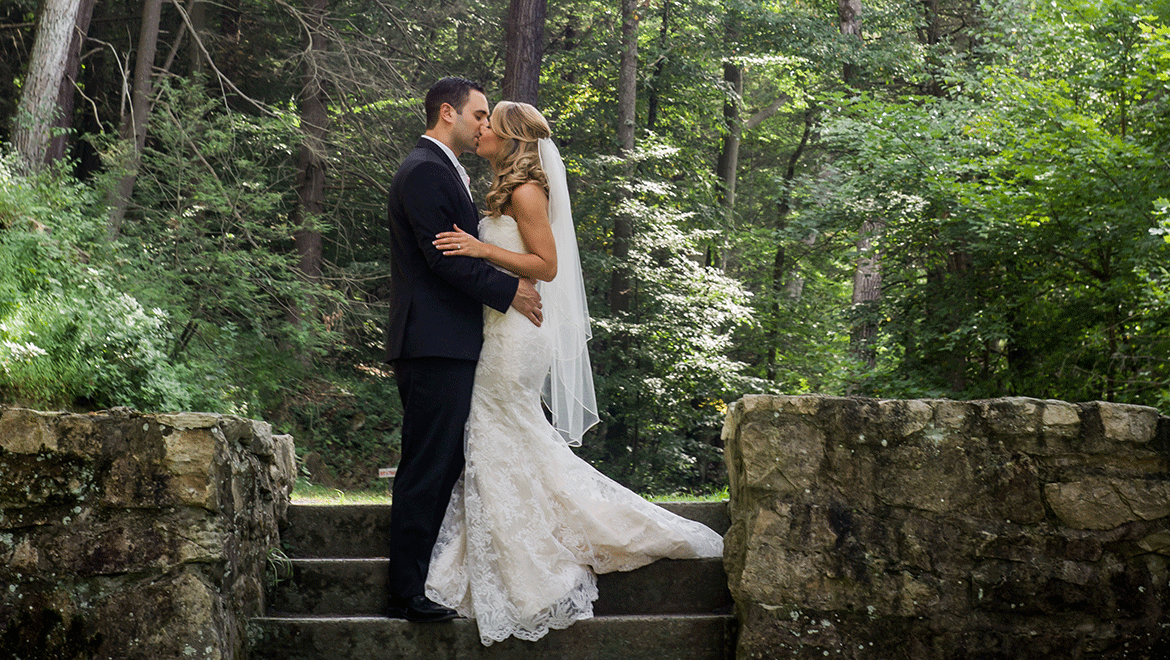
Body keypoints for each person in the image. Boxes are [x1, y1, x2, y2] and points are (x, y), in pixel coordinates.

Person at [424, 101, 724, 645]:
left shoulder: (527, 192)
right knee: (504, 435)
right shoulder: (499, 188)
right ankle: (502, 545)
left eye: (491, 123)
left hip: (516, 335)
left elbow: (547, 265)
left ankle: (530, 560)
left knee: (497, 429)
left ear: (512, 137)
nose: (482, 128)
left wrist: (476, 246)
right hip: (498, 327)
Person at [384, 78, 543, 623]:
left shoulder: (444, 168)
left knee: (440, 461)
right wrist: (509, 291)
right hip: (432, 342)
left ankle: (417, 580)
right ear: (446, 113)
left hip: (445, 341)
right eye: (478, 114)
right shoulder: (426, 170)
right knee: (427, 466)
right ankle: (404, 591)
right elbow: (443, 259)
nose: (485, 124)